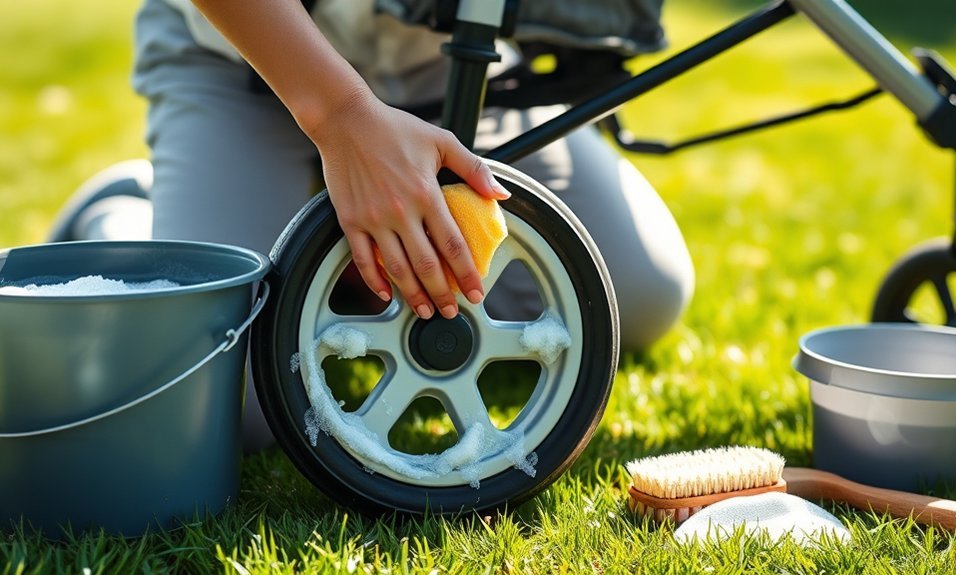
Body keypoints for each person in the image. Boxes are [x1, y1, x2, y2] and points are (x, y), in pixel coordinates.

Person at [66, 0, 696, 451]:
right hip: (244, 58)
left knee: (639, 294)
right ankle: (122, 216)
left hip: (446, 59)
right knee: (235, 405)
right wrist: (342, 116)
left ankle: (346, 261)